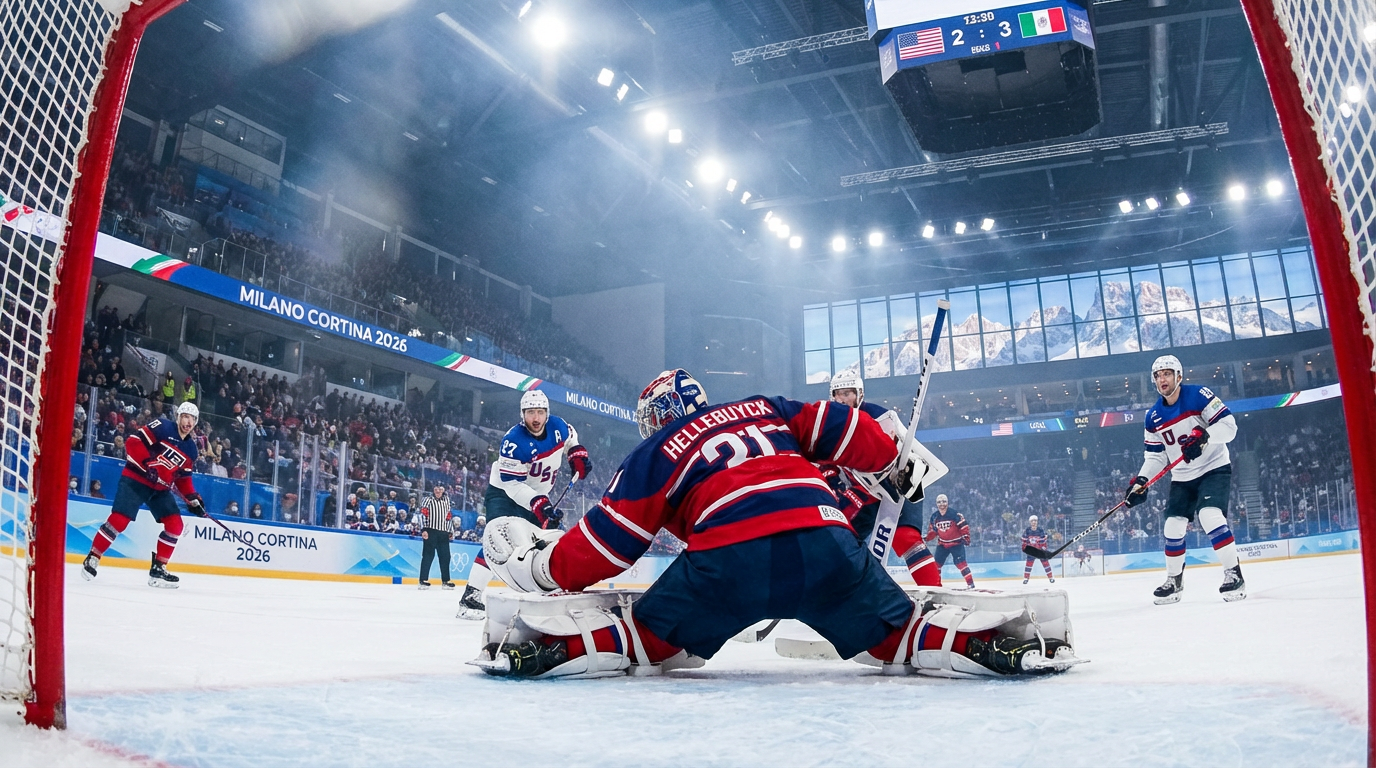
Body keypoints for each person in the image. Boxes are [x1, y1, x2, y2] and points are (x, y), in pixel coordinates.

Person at [473, 369, 1070, 679]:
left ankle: (550, 645)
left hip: (728, 559)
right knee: (896, 632)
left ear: (659, 415)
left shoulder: (656, 452)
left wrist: (539, 565)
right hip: (826, 540)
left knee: (645, 635)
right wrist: (891, 459)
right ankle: (984, 640)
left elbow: (607, 550)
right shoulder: (765, 407)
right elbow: (841, 428)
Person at [457, 389, 591, 620]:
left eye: (540, 412)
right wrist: (539, 503)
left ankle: (543, 593)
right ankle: (470, 596)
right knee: (499, 540)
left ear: (547, 413)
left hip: (537, 495)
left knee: (539, 542)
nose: (536, 419)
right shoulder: (512, 442)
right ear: (522, 415)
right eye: (531, 413)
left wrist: (576, 454)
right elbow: (513, 486)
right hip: (505, 492)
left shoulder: (558, 427)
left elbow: (571, 437)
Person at [1124, 354, 1244, 604]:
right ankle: (1174, 582)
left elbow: (1229, 426)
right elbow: (1155, 456)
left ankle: (1234, 574)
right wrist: (1141, 481)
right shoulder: (1153, 416)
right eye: (1157, 375)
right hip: (1182, 476)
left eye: (1167, 373)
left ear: (1179, 376)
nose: (1162, 379)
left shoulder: (1198, 395)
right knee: (1172, 525)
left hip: (1213, 467)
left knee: (1209, 515)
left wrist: (1204, 436)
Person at [824, 372, 940, 586]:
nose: (843, 399)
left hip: (897, 487)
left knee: (905, 538)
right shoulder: (829, 424)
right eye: (838, 394)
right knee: (841, 544)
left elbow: (896, 457)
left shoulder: (879, 417)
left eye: (848, 393)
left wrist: (905, 471)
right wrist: (835, 487)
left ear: (859, 394)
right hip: (862, 493)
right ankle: (843, 598)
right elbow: (825, 464)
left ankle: (935, 591)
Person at [81, 402, 207, 588]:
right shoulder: (163, 427)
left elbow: (183, 479)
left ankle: (158, 569)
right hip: (136, 479)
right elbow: (133, 442)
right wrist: (147, 463)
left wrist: (193, 499)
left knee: (175, 525)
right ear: (179, 416)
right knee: (119, 520)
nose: (188, 421)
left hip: (159, 488)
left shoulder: (191, 450)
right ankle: (93, 557)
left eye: (192, 419)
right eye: (185, 416)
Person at [926, 494, 975, 588]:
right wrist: (926, 538)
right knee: (936, 565)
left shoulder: (954, 514)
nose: (942, 504)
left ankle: (971, 584)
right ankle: (937, 585)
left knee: (961, 564)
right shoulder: (934, 517)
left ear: (947, 503)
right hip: (942, 544)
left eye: (944, 501)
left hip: (956, 543)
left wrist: (966, 538)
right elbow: (933, 531)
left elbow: (964, 526)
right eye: (939, 502)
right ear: (936, 504)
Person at [418, 484, 455, 589]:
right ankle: (423, 580)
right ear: (433, 490)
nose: (438, 491)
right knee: (428, 555)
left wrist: (450, 531)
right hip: (431, 530)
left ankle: (446, 580)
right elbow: (423, 514)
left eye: (440, 489)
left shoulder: (447, 501)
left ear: (443, 490)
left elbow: (448, 517)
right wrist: (424, 529)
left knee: (445, 556)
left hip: (443, 532)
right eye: (436, 489)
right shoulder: (428, 500)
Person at [1020, 515, 1055, 585]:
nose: (1034, 522)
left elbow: (1043, 540)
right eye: (1032, 521)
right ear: (1030, 522)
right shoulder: (1027, 530)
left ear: (1037, 522)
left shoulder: (1040, 530)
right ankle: (1026, 578)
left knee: (1046, 564)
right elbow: (1024, 540)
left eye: (1035, 521)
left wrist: (1041, 547)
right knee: (1028, 565)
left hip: (1040, 550)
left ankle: (1050, 578)